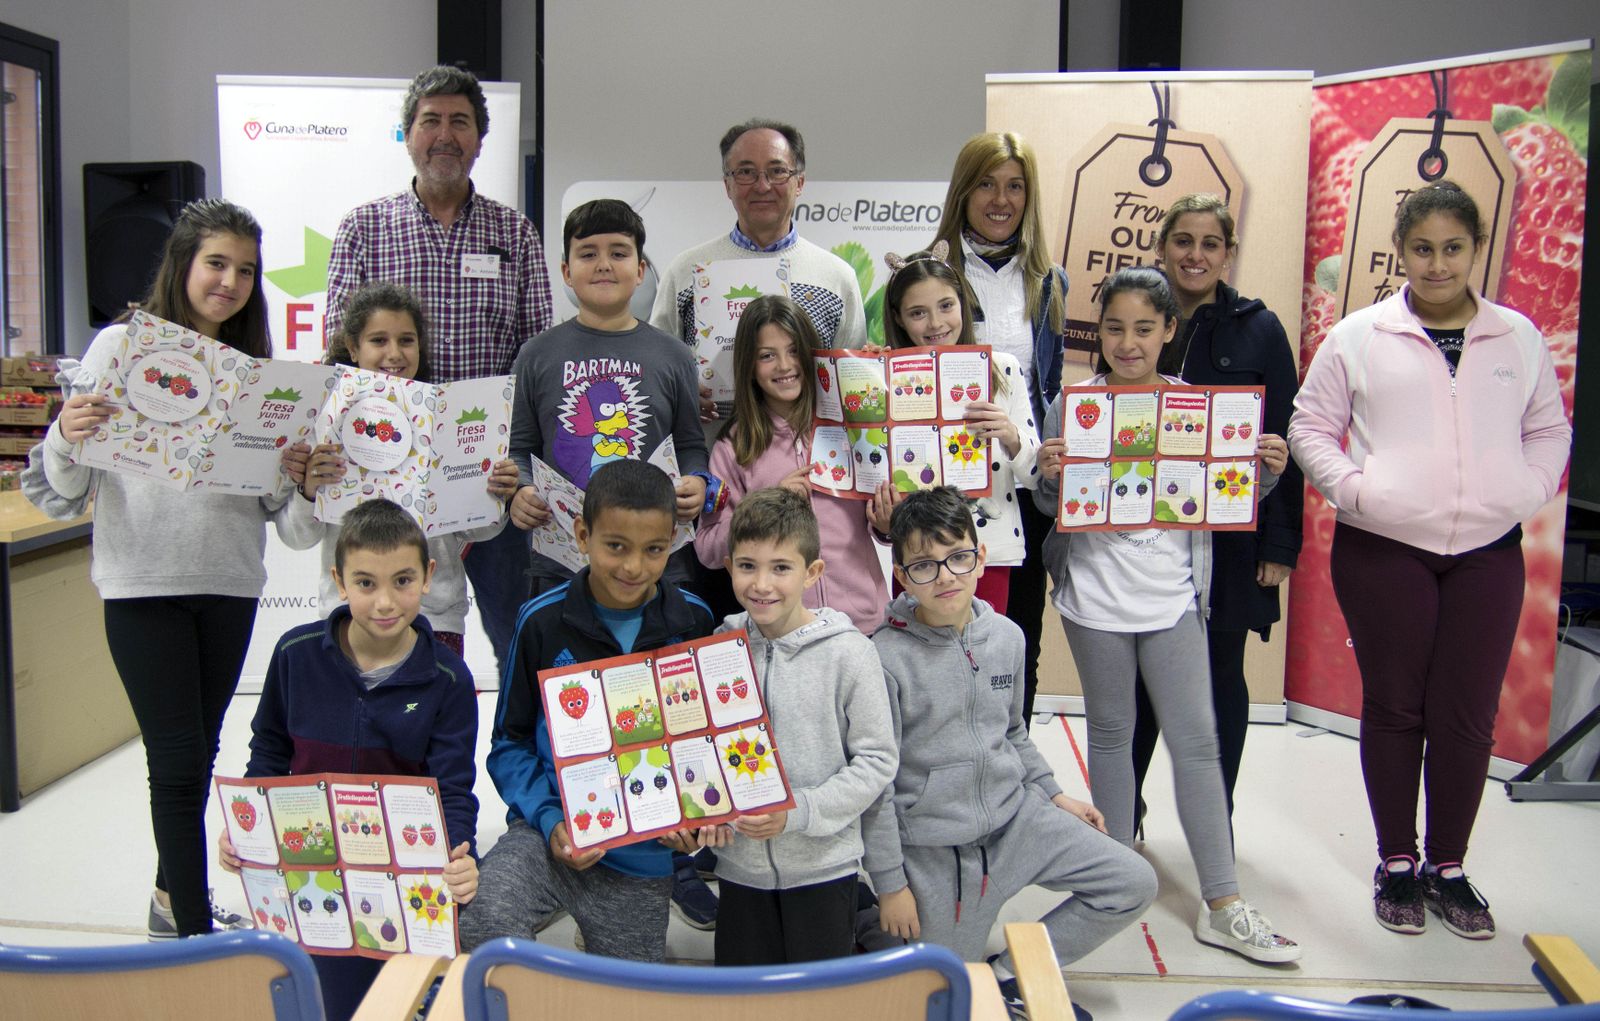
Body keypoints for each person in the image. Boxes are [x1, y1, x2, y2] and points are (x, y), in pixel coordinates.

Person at [1289, 182, 1570, 940]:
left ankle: (1449, 864)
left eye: (1453, 248)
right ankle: (1396, 861)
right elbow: (1310, 423)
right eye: (1423, 249)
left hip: (1488, 552)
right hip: (1384, 549)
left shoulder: (1518, 337)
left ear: (1477, 249)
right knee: (1396, 706)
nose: (1438, 264)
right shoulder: (1359, 335)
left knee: (1467, 715)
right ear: (1402, 251)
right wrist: (1354, 489)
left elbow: (1550, 426)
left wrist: (1529, 487)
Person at [21, 199, 288, 938]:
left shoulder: (256, 374)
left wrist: (288, 463)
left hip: (229, 584)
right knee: (173, 762)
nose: (230, 281)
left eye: (245, 269)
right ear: (182, 264)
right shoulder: (118, 348)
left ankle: (171, 902)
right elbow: (66, 492)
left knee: (197, 751)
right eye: (216, 263)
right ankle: (196, 937)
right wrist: (66, 436)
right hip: (145, 585)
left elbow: (269, 502)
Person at [1036, 267, 1301, 964]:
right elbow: (1047, 501)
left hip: (1173, 598)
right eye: (1116, 327)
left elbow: (1228, 494)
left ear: (1168, 331)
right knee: (1112, 733)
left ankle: (1223, 899)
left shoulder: (1198, 407)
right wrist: (1046, 474)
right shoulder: (1073, 403)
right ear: (1101, 331)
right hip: (1095, 597)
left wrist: (1267, 470)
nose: (1128, 341)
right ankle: (1116, 879)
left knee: (1199, 740)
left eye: (1144, 328)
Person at [867, 487, 1157, 1015]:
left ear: (980, 558)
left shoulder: (1007, 637)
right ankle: (871, 918)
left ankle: (1009, 977)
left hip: (1015, 820)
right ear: (903, 577)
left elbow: (1015, 731)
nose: (946, 576)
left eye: (957, 557)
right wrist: (890, 885)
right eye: (925, 566)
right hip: (937, 848)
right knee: (942, 992)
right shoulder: (883, 658)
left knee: (1133, 880)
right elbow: (877, 784)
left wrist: (1054, 794)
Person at [325, 64, 554, 674]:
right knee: (396, 638)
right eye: (431, 121)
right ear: (407, 134)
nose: (445, 135)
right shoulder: (363, 229)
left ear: (481, 137)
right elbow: (337, 357)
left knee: (518, 637)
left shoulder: (517, 234)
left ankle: (524, 760)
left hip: (493, 476)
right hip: (388, 473)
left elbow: (536, 365)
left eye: (461, 122)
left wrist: (525, 468)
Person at [218, 499, 479, 1021]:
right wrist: (248, 825)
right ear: (339, 581)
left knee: (403, 1002)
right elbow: (269, 751)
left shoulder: (448, 679)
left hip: (404, 884)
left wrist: (457, 854)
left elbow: (452, 788)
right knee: (326, 1001)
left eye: (402, 581)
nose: (385, 602)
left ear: (428, 577)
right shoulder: (295, 654)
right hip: (312, 876)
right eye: (366, 583)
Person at [460, 460, 718, 960]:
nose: (633, 567)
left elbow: (703, 746)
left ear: (675, 541)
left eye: (654, 550)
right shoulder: (540, 621)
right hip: (548, 839)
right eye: (615, 546)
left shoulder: (694, 621)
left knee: (631, 996)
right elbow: (509, 743)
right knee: (485, 917)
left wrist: (695, 819)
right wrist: (552, 818)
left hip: (644, 858)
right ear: (581, 534)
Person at [1129, 194, 1304, 833]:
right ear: (1162, 247)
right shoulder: (1136, 316)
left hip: (1232, 536)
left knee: (1222, 675)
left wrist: (1280, 544)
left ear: (1228, 254)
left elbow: (1287, 438)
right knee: (1144, 676)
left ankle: (1216, 818)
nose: (1195, 255)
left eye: (1210, 243)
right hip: (1149, 533)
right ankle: (1128, 812)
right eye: (1183, 240)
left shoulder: (1261, 329)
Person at [692, 488, 896, 964]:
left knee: (818, 1004)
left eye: (780, 567)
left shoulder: (850, 653)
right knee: (744, 1001)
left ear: (813, 573)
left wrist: (798, 811)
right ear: (729, 567)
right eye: (747, 565)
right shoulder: (719, 645)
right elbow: (701, 749)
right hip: (740, 870)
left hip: (824, 868)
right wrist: (709, 807)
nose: (762, 584)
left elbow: (876, 761)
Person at [278, 282, 520, 656]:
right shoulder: (324, 422)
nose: (394, 353)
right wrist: (309, 490)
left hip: (435, 617)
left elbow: (481, 528)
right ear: (354, 347)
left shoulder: (448, 420)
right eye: (378, 340)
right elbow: (297, 537)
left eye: (406, 340)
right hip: (350, 617)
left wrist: (495, 496)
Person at [931, 132, 1069, 727]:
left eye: (1015, 186)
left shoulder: (1048, 281)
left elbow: (1049, 391)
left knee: (1018, 643)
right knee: (938, 639)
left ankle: (1013, 769)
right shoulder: (932, 270)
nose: (1000, 199)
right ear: (963, 190)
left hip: (1021, 485)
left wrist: (1030, 450)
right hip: (944, 487)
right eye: (986, 183)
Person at [508, 198, 709, 591]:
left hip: (656, 566)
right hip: (561, 563)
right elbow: (518, 447)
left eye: (618, 253)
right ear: (566, 272)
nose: (603, 264)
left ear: (639, 271)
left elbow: (690, 444)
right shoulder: (535, 355)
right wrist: (520, 490)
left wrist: (697, 481)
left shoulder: (674, 356)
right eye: (588, 254)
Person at [693, 295, 890, 633]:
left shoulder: (850, 423)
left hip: (864, 623)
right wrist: (765, 507)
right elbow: (708, 549)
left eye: (794, 350)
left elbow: (881, 528)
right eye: (767, 356)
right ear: (750, 367)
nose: (784, 365)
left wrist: (887, 524)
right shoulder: (735, 446)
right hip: (782, 631)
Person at [651, 118, 868, 424]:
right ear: (727, 184)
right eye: (746, 173)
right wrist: (679, 392)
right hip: (709, 461)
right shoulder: (686, 272)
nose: (762, 185)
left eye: (777, 171)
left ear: (800, 182)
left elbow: (850, 381)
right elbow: (657, 370)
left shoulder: (836, 277)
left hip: (808, 464)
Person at [882, 243, 1041, 612]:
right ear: (900, 318)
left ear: (963, 304)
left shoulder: (1003, 368)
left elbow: (1035, 476)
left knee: (984, 655)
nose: (936, 323)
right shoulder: (887, 376)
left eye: (946, 306)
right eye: (918, 312)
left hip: (989, 550)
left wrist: (1010, 436)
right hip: (916, 553)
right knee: (916, 657)